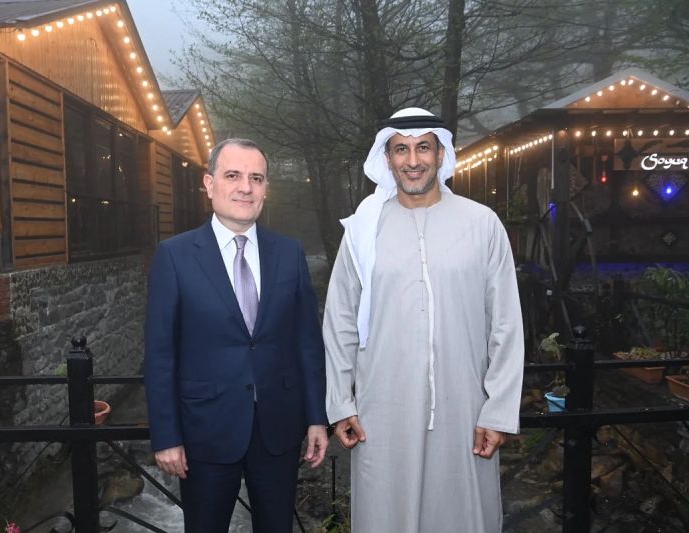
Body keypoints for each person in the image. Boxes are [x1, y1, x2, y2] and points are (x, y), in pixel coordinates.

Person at [324, 108, 524, 532]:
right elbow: (339, 320)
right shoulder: (362, 231)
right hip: (381, 412)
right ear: (387, 158)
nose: (412, 160)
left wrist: (498, 410)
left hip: (464, 409)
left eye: (423, 148)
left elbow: (506, 324)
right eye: (401, 149)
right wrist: (340, 403)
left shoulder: (482, 224)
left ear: (440, 154)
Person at [144, 138, 328, 533]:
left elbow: (308, 344)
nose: (245, 187)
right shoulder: (174, 256)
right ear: (209, 184)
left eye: (256, 178)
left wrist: (316, 417)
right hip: (205, 432)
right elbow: (160, 355)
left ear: (265, 189)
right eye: (233, 176)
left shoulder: (289, 253)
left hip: (278, 430)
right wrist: (166, 436)